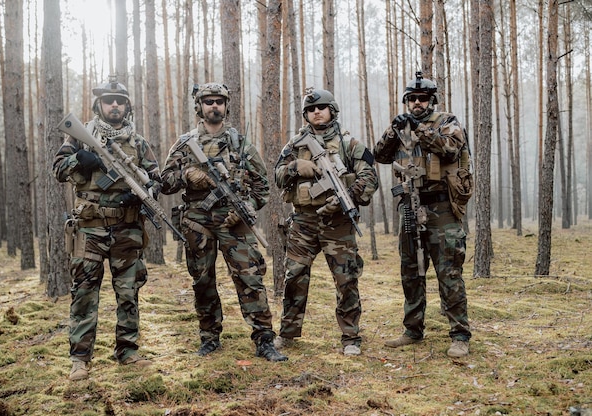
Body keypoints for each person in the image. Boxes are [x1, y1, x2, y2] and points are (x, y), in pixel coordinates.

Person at [160, 82, 287, 362]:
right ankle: (209, 338)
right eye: (208, 102)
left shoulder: (240, 143)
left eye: (219, 101)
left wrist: (246, 210)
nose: (214, 106)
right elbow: (164, 183)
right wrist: (186, 175)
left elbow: (262, 186)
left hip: (234, 222)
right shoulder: (184, 143)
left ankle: (264, 339)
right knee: (202, 281)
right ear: (200, 107)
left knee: (250, 279)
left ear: (226, 106)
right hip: (197, 223)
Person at [53, 76, 161, 380]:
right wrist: (79, 160)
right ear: (98, 104)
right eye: (109, 100)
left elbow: (156, 178)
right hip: (88, 229)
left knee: (128, 292)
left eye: (120, 101)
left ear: (127, 106)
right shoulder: (80, 135)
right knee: (84, 293)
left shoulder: (137, 142)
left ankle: (128, 352)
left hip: (126, 229)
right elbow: (58, 170)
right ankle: (80, 359)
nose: (115, 105)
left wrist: (141, 192)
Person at [373, 71, 473, 358]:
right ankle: (413, 329)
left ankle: (459, 334)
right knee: (411, 271)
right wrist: (394, 130)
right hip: (410, 206)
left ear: (432, 100)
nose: (417, 103)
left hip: (441, 208)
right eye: (412, 99)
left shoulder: (447, 122)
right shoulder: (401, 125)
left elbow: (451, 150)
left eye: (423, 99)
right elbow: (380, 155)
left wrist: (421, 130)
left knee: (449, 271)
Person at [274, 88, 379, 356]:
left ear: (332, 110)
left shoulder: (349, 144)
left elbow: (369, 177)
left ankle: (351, 337)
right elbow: (277, 175)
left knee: (346, 279)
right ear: (306, 115)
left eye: (321, 107)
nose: (316, 112)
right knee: (294, 276)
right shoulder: (295, 144)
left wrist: (348, 197)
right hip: (303, 222)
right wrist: (296, 167)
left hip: (338, 223)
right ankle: (287, 333)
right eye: (311, 109)